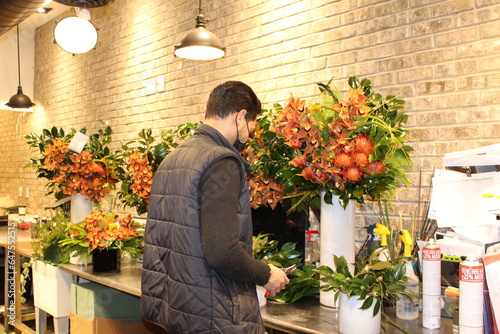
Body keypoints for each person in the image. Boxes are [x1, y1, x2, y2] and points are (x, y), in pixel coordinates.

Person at [141, 81, 289, 333]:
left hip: (177, 306)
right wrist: (267, 274)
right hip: (214, 314)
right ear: (240, 116)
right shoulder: (221, 161)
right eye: (252, 123)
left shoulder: (172, 158)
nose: (251, 132)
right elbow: (222, 252)